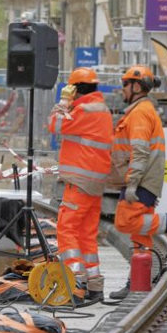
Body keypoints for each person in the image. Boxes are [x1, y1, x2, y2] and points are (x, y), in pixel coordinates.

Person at [109, 65, 167, 300]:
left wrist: (133, 183)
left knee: (125, 221)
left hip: (142, 179)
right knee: (140, 236)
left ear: (135, 86)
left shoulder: (140, 113)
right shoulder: (140, 110)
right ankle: (137, 282)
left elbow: (140, 150)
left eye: (125, 84)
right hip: (142, 177)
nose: (121, 89)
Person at [48, 68, 113, 306]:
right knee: (86, 235)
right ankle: (95, 287)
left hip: (80, 181)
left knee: (66, 230)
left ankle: (75, 286)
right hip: (95, 183)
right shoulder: (102, 109)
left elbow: (54, 124)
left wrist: (63, 101)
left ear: (75, 89)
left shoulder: (83, 110)